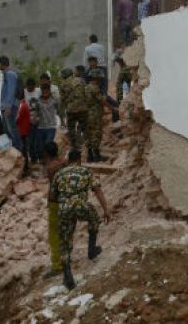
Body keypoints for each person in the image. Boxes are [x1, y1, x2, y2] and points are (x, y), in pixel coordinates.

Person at [51, 149, 112, 290]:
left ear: (68, 160)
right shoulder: (86, 171)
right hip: (81, 206)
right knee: (94, 218)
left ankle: (68, 277)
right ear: (79, 159)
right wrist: (106, 210)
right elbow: (97, 191)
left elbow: (53, 197)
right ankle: (91, 250)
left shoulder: (59, 174)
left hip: (64, 208)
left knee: (65, 242)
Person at [43, 142, 67, 277]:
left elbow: (54, 186)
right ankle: (66, 258)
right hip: (67, 200)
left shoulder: (51, 168)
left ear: (46, 153)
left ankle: (57, 265)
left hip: (55, 202)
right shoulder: (64, 162)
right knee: (65, 231)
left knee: (53, 235)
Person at [59, 68, 89, 151]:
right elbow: (86, 93)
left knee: (71, 128)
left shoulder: (63, 84)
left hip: (71, 110)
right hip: (83, 108)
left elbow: (62, 101)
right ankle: (83, 142)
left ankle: (74, 145)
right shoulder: (81, 80)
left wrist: (62, 117)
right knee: (84, 126)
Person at [83, 68, 107, 163]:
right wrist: (112, 108)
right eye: (100, 78)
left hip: (86, 114)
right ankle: (97, 155)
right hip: (94, 115)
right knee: (96, 133)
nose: (101, 80)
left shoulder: (85, 87)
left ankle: (89, 156)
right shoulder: (95, 87)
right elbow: (102, 100)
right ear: (96, 77)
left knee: (88, 134)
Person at [34, 85, 60, 163]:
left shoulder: (54, 100)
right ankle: (43, 162)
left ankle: (51, 161)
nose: (45, 92)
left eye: (47, 90)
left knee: (48, 144)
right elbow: (35, 112)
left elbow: (59, 110)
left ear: (49, 91)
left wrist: (62, 121)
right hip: (40, 127)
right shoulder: (37, 101)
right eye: (43, 90)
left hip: (51, 126)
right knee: (40, 146)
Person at [0, 56, 19, 144]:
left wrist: (8, 107)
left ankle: (18, 150)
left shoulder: (10, 74)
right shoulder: (6, 74)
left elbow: (11, 91)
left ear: (1, 64)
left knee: (12, 130)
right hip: (5, 107)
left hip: (9, 107)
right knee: (7, 131)